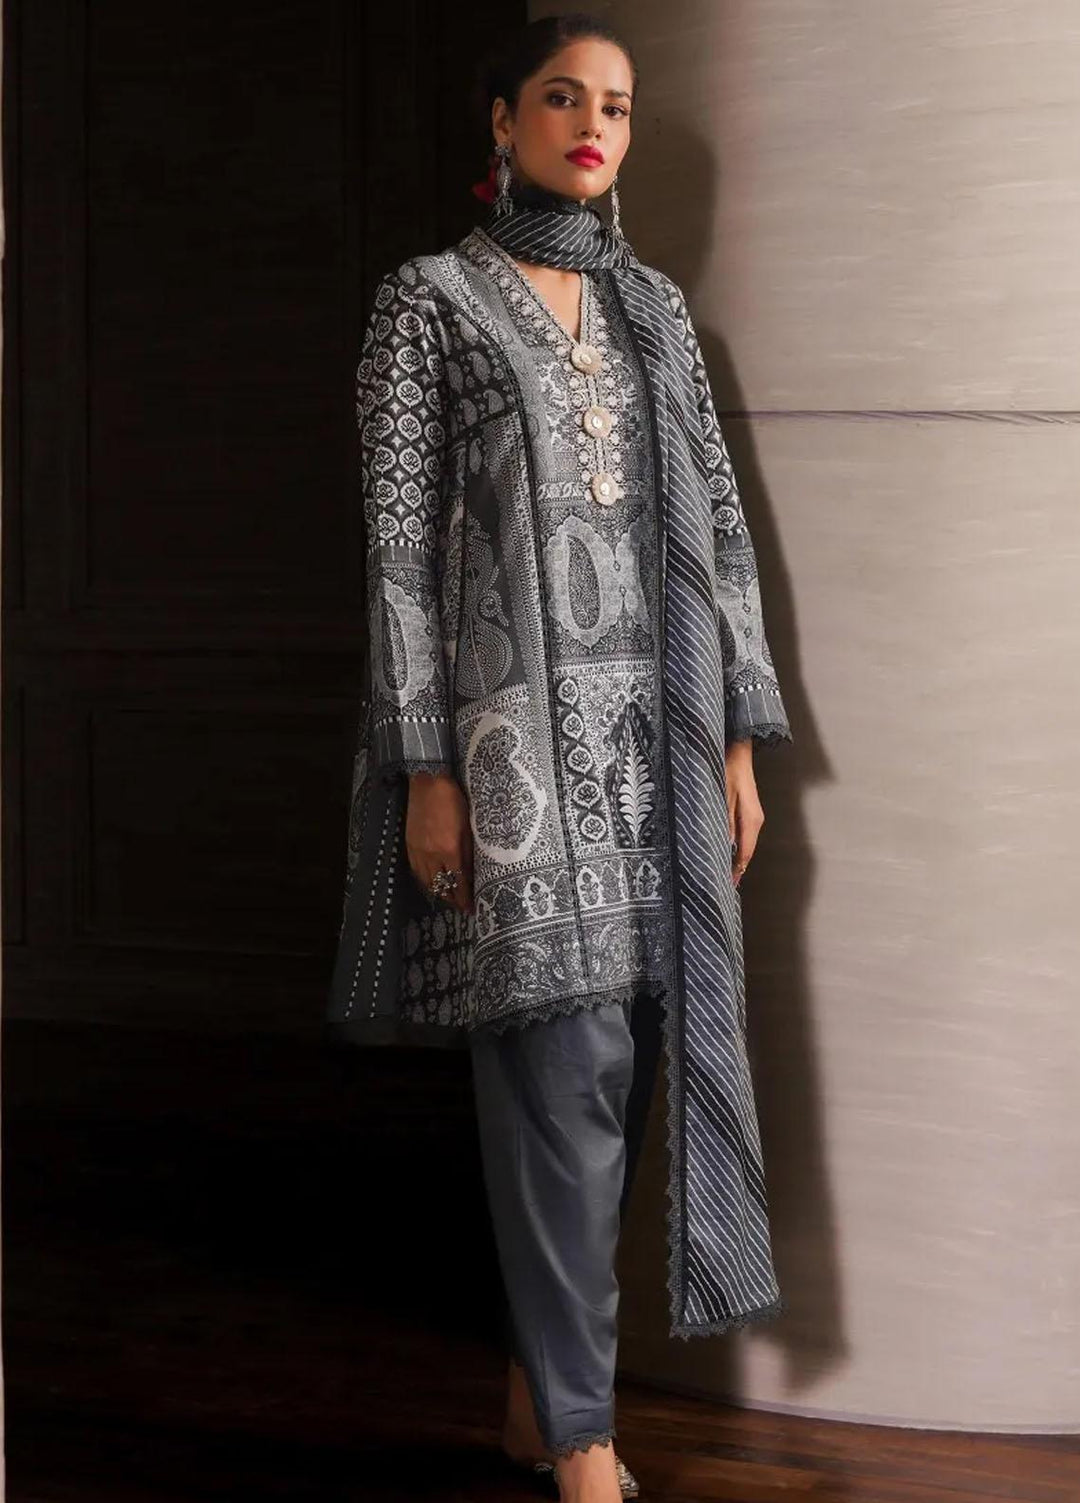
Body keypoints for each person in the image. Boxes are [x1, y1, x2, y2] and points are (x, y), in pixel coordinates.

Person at [326, 14, 794, 1502]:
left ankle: (543, 1393)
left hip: (658, 744)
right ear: (502, 120)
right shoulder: (430, 305)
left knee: (636, 1063)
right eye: (562, 97)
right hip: (511, 746)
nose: (595, 125)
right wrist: (429, 766)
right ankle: (586, 1439)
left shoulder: (656, 310)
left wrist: (738, 740)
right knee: (559, 1078)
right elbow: (400, 556)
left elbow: (721, 530)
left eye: (620, 107)